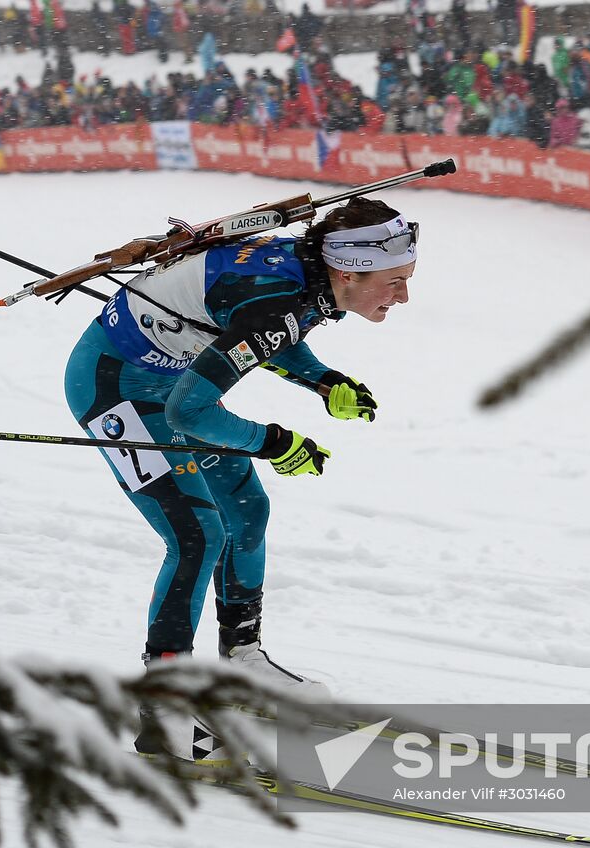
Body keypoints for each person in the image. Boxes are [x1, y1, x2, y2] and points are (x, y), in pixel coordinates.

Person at [62, 199, 417, 757]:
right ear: (348, 271)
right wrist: (276, 443)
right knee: (197, 535)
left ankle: (242, 657)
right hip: (118, 390)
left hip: (172, 382)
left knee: (247, 511)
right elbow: (192, 412)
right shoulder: (281, 295)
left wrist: (323, 381)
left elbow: (267, 332)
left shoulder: (307, 275)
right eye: (394, 281)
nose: (403, 296)